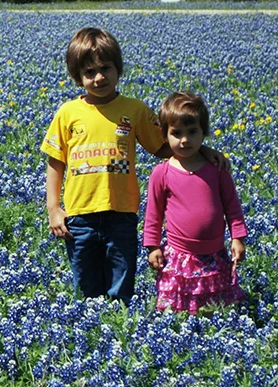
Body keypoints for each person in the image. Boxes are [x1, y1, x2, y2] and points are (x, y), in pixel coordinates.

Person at [40, 27, 225, 302]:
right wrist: (54, 208)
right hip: (79, 215)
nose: (99, 77)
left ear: (118, 69)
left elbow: (163, 145)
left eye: (105, 68)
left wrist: (202, 150)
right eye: (89, 72)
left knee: (121, 281)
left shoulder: (135, 109)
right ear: (77, 77)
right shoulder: (68, 113)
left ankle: (119, 330)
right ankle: (91, 332)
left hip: (122, 213)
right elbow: (56, 162)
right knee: (85, 283)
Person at [143, 91, 247, 314]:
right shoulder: (161, 173)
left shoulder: (217, 169)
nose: (185, 139)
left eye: (192, 132)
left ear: (204, 133)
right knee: (179, 305)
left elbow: (233, 207)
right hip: (179, 254)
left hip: (214, 252)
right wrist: (152, 247)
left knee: (215, 301)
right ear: (164, 135)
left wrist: (237, 237)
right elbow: (153, 214)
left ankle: (213, 330)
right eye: (176, 133)